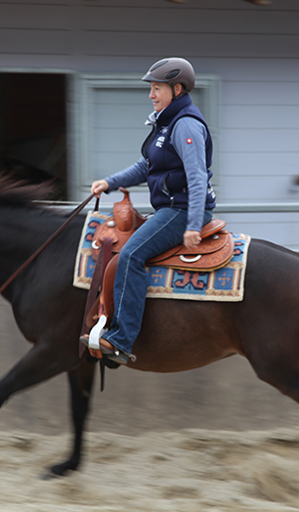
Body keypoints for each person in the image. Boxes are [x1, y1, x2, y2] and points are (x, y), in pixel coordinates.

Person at [83, 57, 216, 365]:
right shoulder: (167, 122)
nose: (151, 95)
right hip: (170, 209)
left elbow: (196, 176)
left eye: (157, 88)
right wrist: (110, 182)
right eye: (152, 88)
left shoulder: (186, 125)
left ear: (177, 89)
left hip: (181, 211)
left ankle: (121, 338)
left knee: (131, 255)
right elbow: (147, 166)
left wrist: (193, 225)